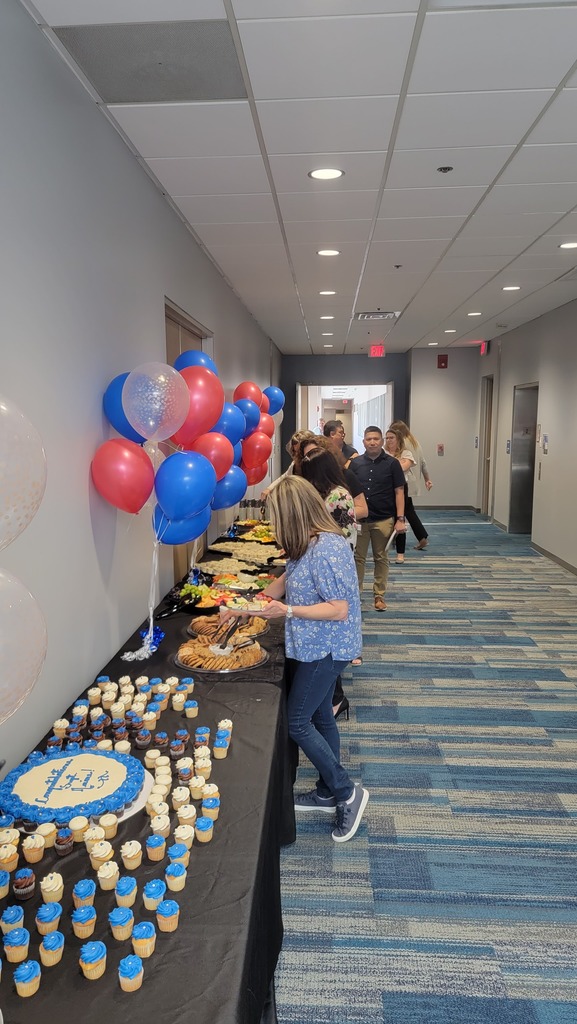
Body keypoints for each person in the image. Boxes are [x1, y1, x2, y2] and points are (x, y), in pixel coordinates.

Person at [228, 476, 369, 843]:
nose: (273, 525)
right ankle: (326, 791)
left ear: (292, 513)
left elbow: (338, 610)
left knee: (297, 721)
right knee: (321, 715)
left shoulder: (328, 548)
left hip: (329, 647)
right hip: (314, 645)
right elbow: (284, 581)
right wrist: (245, 607)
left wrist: (286, 612)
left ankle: (346, 791)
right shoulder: (305, 543)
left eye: (276, 517)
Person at [348, 425, 406, 611]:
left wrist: (400, 519)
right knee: (358, 558)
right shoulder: (355, 464)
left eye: (376, 439)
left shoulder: (392, 463)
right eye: (368, 439)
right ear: (363, 441)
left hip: (383, 519)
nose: (372, 442)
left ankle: (379, 595)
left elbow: (399, 492)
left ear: (381, 441)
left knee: (381, 558)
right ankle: (355, 595)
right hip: (360, 521)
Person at [297, 435, 368, 524]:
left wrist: (334, 515)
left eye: (315, 453)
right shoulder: (304, 480)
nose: (311, 458)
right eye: (307, 456)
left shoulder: (346, 475)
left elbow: (363, 510)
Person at [389, 420, 432, 550]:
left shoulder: (403, 444)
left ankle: (417, 537)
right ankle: (419, 537)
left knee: (403, 512)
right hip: (412, 481)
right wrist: (427, 479)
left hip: (403, 481)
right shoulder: (415, 442)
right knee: (408, 511)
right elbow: (423, 463)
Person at [384, 427, 420, 564]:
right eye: (387, 438)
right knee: (385, 521)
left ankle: (400, 553)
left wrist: (391, 465)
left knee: (400, 519)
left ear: (398, 439)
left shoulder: (406, 453)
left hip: (400, 489)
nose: (389, 440)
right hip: (385, 489)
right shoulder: (383, 452)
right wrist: (397, 463)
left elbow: (403, 468)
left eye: (391, 437)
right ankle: (384, 551)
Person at [260, 429, 316, 500]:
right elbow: (284, 477)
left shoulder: (316, 464)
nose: (297, 456)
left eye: (299, 452)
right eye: (295, 452)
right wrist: (269, 489)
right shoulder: (294, 465)